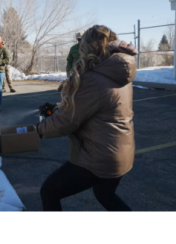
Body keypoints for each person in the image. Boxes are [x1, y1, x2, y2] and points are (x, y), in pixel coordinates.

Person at [37, 25, 137, 211]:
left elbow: (67, 122)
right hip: (121, 152)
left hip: (100, 157)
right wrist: (59, 107)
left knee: (49, 192)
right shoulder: (118, 71)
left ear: (88, 48)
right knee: (105, 194)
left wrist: (40, 129)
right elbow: (99, 106)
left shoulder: (92, 78)